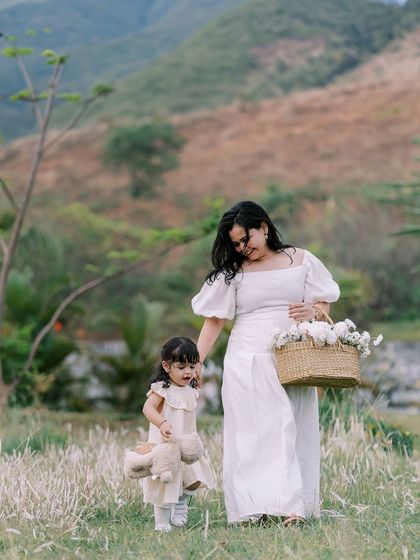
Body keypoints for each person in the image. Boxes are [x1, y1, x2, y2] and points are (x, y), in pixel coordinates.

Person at [191, 201, 340, 525]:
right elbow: (214, 320)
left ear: (264, 228)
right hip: (246, 358)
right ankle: (250, 506)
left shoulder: (301, 259)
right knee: (250, 433)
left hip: (293, 358)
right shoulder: (233, 273)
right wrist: (196, 362)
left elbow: (323, 300)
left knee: (291, 426)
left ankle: (294, 506)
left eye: (247, 239)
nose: (243, 248)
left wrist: (313, 311)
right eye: (236, 243)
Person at [142, 336, 215, 532]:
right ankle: (162, 522)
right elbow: (148, 409)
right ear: (167, 367)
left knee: (192, 479)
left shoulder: (190, 389)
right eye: (181, 367)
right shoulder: (162, 390)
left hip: (186, 445)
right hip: (166, 446)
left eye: (192, 366)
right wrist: (162, 422)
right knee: (165, 483)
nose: (188, 372)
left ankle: (181, 507)